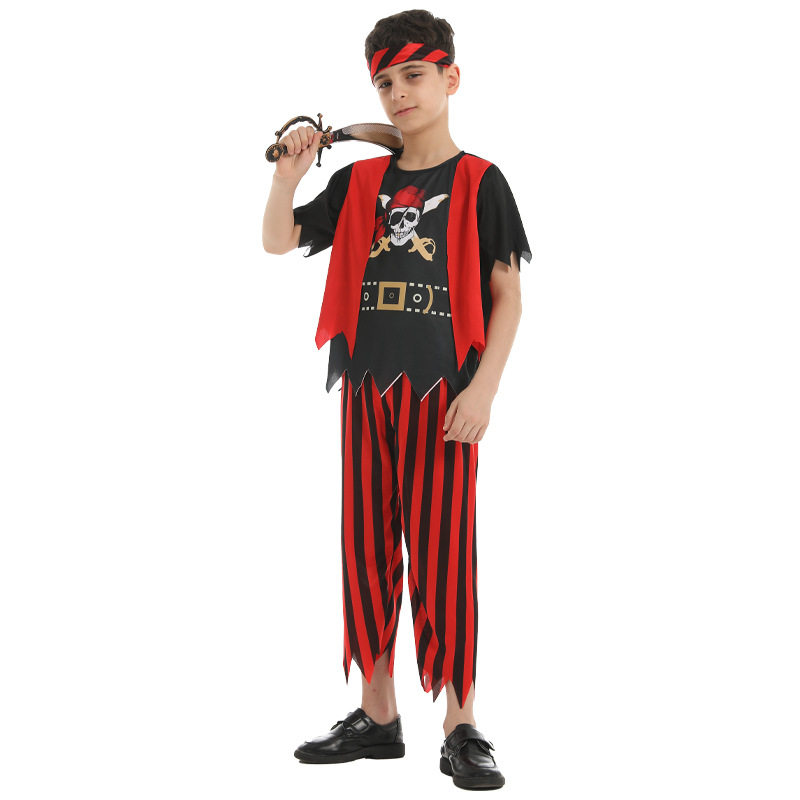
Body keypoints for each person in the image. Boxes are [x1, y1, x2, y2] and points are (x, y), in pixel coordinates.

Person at [261, 9, 531, 791]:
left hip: (444, 397)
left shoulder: (481, 182)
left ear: (451, 77)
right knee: (365, 550)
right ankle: (377, 716)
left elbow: (508, 294)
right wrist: (286, 178)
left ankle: (460, 724)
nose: (398, 91)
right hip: (366, 388)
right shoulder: (358, 183)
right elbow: (278, 240)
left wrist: (485, 389)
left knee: (445, 557)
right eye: (384, 81)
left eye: (414, 74)